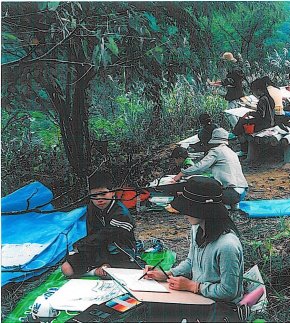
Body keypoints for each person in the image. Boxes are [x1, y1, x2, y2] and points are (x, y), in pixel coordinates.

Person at [143, 176, 244, 322]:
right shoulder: (197, 228)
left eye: (189, 208)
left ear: (204, 210)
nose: (185, 213)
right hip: (199, 296)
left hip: (219, 305)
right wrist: (167, 274)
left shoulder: (227, 245)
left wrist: (193, 286)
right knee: (155, 307)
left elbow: (229, 291)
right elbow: (191, 262)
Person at [61, 171, 142, 278]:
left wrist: (82, 246)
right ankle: (94, 271)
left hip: (119, 250)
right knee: (66, 268)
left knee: (110, 273)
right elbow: (92, 233)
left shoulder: (122, 214)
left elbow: (108, 237)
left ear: (113, 192)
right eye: (94, 195)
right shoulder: (91, 207)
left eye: (103, 194)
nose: (99, 199)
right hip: (98, 249)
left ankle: (100, 269)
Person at [173, 128, 248, 209]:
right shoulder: (231, 152)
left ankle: (223, 204)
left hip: (230, 193)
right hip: (242, 193)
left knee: (199, 190)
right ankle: (231, 204)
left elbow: (201, 166)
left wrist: (182, 173)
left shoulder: (216, 151)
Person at [233, 78, 275, 154]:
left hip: (264, 124)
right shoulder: (269, 97)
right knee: (243, 121)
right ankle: (239, 138)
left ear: (258, 90)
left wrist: (250, 113)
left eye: (253, 92)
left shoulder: (262, 99)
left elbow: (260, 115)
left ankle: (243, 148)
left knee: (242, 121)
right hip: (270, 122)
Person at [209, 52, 245, 128]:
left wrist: (214, 84)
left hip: (234, 96)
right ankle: (240, 130)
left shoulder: (234, 71)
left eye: (225, 61)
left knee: (230, 113)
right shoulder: (237, 69)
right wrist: (215, 83)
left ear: (228, 61)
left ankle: (237, 130)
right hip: (239, 95)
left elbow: (226, 82)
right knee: (237, 114)